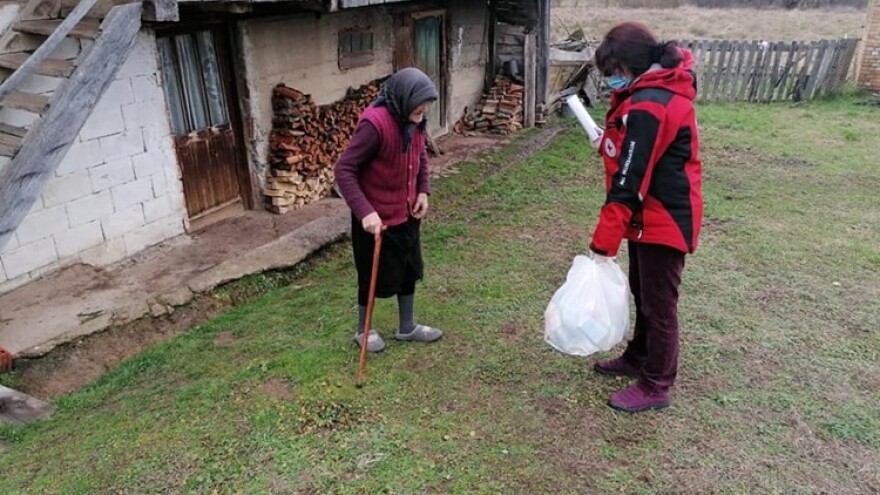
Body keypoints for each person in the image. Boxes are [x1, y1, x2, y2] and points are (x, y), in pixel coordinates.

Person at [588, 22, 703, 413]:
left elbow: (631, 177)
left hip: (664, 217)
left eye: (613, 71)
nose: (611, 80)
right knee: (643, 293)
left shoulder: (653, 103)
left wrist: (602, 244)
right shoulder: (647, 95)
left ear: (629, 64)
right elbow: (630, 150)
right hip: (647, 216)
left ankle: (657, 384)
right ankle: (638, 356)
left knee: (659, 305)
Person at [334, 67, 444, 353]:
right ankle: (364, 330)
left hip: (407, 212)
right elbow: (344, 169)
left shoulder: (416, 120)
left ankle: (407, 327)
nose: (424, 112)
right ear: (404, 99)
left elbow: (420, 154)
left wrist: (422, 191)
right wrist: (365, 212)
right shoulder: (375, 124)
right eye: (419, 107)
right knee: (370, 274)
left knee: (409, 269)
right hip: (374, 218)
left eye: (426, 107)